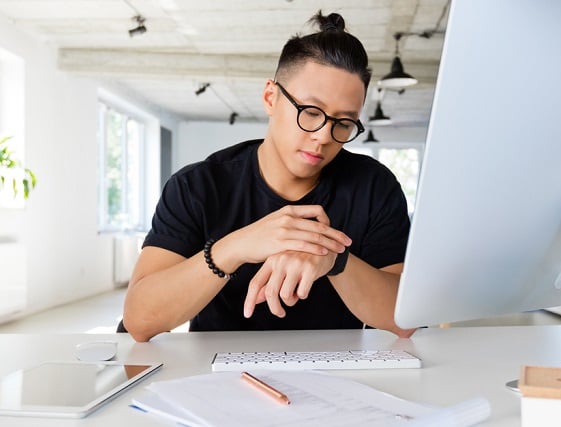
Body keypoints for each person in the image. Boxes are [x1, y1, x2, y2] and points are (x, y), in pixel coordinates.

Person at [123, 11, 415, 342]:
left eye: (343, 123)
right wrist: (232, 248)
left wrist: (334, 259)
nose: (323, 136)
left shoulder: (373, 187)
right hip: (217, 373)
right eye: (310, 112)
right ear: (270, 98)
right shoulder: (197, 186)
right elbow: (139, 320)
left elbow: (403, 321)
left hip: (336, 371)